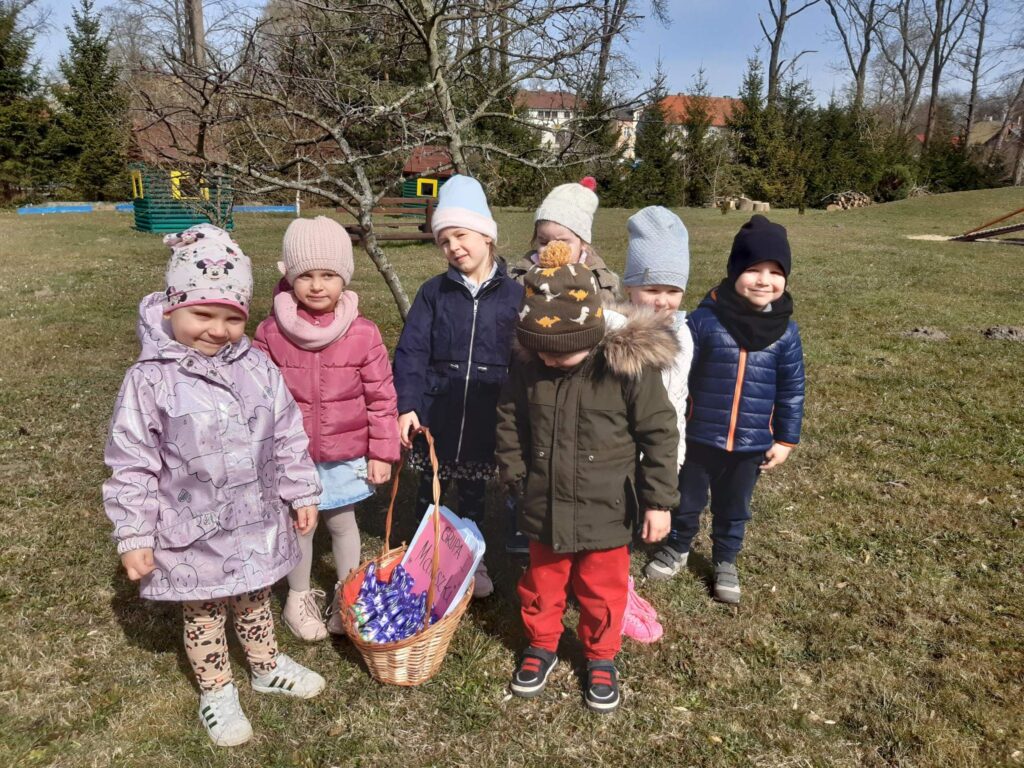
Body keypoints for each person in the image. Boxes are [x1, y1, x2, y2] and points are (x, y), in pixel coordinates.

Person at [103, 224, 325, 748]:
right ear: (171, 309)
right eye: (202, 314)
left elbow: (287, 432)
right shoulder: (150, 379)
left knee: (254, 598)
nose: (218, 330)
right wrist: (134, 535)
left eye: (231, 318)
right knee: (204, 612)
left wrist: (302, 490)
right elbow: (131, 462)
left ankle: (266, 665)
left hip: (254, 518)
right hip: (192, 528)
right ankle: (216, 688)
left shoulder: (257, 367)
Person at [496, 243, 680, 713]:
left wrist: (658, 502)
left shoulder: (626, 369)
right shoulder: (528, 365)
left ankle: (601, 654)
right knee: (541, 582)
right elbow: (510, 417)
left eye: (565, 352)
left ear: (593, 333)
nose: (553, 360)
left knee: (604, 588)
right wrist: (515, 472)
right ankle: (541, 643)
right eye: (544, 352)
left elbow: (659, 433)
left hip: (607, 506)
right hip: (544, 501)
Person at [644, 214, 805, 604]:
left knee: (735, 508)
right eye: (753, 269)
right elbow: (679, 377)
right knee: (687, 500)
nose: (764, 280)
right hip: (701, 436)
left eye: (774, 271)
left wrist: (785, 439)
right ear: (734, 271)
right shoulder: (704, 321)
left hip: (750, 444)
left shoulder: (786, 332)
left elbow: (793, 389)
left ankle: (726, 559)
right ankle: (677, 546)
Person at [253, 216, 400, 641]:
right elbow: (257, 398)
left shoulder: (363, 334)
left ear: (345, 277)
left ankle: (348, 593)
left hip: (345, 454)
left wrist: (381, 451)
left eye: (329, 275)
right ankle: (298, 595)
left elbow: (381, 398)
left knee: (341, 523)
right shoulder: (270, 333)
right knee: (301, 525)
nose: (318, 286)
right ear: (289, 276)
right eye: (306, 276)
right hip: (291, 456)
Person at [392, 175, 524, 597]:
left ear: (487, 235)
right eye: (444, 241)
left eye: (461, 235)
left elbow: (525, 358)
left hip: (487, 414)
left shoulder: (516, 296)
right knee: (429, 493)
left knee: (473, 496)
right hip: (439, 415)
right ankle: (421, 559)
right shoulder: (434, 293)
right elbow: (411, 350)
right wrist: (408, 403)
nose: (454, 247)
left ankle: (472, 560)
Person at [604, 206, 694, 643]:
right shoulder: (619, 334)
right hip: (619, 451)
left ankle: (617, 585)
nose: (662, 300)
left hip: (660, 449)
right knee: (618, 521)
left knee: (638, 518)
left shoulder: (685, 333)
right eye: (652, 288)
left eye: (673, 290)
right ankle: (613, 595)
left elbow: (675, 400)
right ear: (630, 285)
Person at [508, 176, 619, 305]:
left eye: (562, 241)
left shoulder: (596, 276)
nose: (551, 249)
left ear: (583, 242)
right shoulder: (525, 271)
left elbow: (605, 311)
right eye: (543, 242)